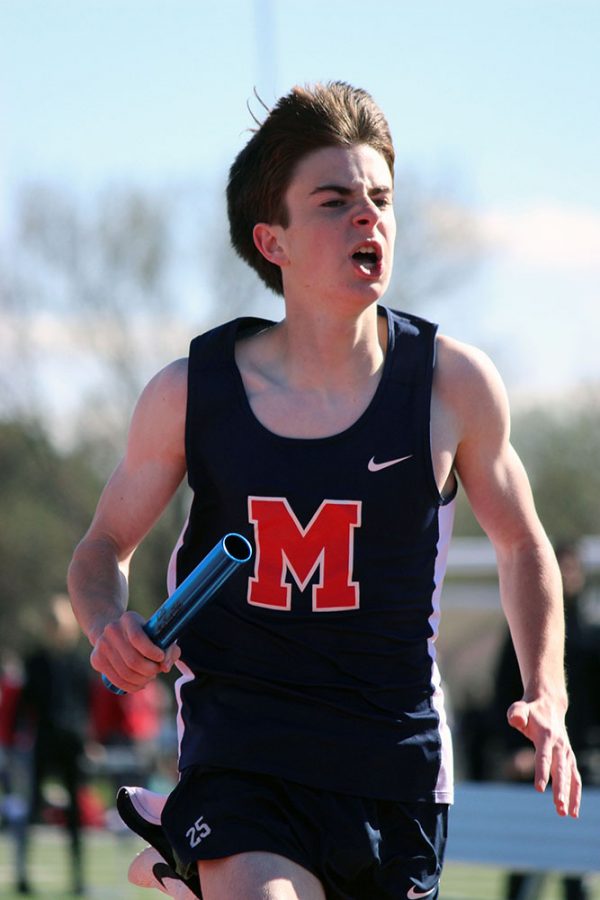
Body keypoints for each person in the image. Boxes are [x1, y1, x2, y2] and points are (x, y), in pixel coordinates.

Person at [67, 81, 581, 900]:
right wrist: (107, 626)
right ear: (273, 241)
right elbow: (101, 550)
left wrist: (546, 694)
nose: (368, 217)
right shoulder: (189, 394)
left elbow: (523, 544)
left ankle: (181, 873)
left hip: (394, 767)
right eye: (336, 201)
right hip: (244, 754)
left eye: (380, 198)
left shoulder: (453, 386)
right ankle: (204, 860)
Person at [492, 541, 599, 900]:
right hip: (533, 768)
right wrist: (514, 750)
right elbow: (503, 694)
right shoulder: (524, 636)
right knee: (523, 867)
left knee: (576, 869)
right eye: (560, 568)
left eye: (573, 569)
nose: (567, 577)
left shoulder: (592, 637)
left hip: (581, 767)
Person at [17, 594, 92, 895]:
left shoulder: (78, 663)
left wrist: (89, 740)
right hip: (44, 741)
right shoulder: (34, 662)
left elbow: (87, 705)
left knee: (76, 811)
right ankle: (23, 873)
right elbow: (25, 706)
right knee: (32, 807)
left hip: (72, 743)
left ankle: (78, 877)